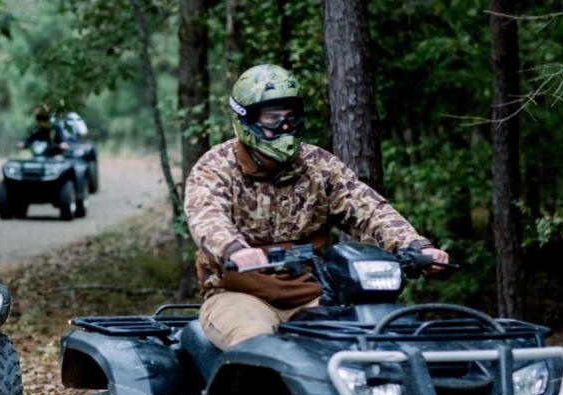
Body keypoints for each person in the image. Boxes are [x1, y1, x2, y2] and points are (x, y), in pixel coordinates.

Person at [184, 64, 449, 350]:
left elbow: (367, 208)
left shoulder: (319, 165)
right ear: (246, 120)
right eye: (272, 118)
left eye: (290, 117)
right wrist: (234, 249)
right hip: (238, 295)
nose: (284, 127)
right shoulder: (216, 167)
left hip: (314, 295)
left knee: (378, 337)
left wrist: (415, 246)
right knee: (257, 344)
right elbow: (206, 215)